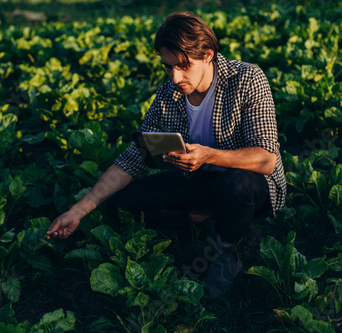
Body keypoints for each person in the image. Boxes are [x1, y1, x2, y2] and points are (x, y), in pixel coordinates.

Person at [47, 12, 286, 297]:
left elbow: (266, 158)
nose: (175, 77)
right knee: (120, 205)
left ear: (208, 54)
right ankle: (205, 215)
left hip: (251, 186)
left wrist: (208, 156)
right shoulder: (166, 98)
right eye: (167, 66)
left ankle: (226, 250)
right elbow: (133, 159)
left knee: (236, 184)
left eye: (183, 66)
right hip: (199, 180)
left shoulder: (247, 79)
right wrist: (77, 211)